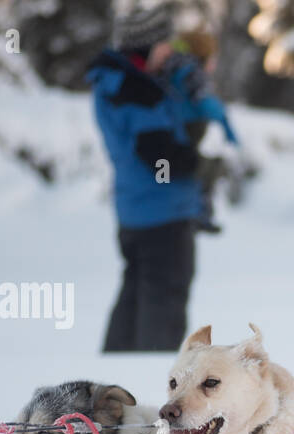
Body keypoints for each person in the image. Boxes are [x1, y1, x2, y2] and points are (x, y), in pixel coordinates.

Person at [87, 6, 201, 352]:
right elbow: (160, 157)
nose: (170, 50)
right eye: (164, 43)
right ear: (145, 46)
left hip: (138, 211)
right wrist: (198, 163)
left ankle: (116, 374)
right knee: (163, 302)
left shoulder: (122, 84)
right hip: (160, 214)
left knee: (136, 296)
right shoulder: (136, 91)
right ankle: (155, 371)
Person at [160, 29, 239, 234]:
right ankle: (198, 213)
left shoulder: (171, 67)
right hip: (186, 129)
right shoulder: (193, 72)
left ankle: (188, 211)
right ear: (202, 55)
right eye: (212, 57)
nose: (214, 63)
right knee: (206, 169)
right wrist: (224, 121)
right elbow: (204, 102)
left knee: (179, 170)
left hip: (169, 131)